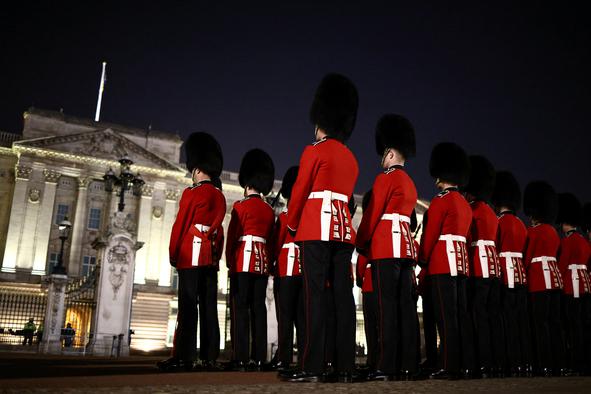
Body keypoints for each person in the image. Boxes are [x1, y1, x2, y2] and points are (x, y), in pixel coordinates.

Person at [283, 73, 359, 383]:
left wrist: (291, 225)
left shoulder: (313, 151)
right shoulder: (352, 158)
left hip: (315, 228)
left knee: (313, 298)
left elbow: (300, 192)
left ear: (321, 120)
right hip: (342, 232)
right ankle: (344, 366)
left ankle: (311, 365)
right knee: (342, 298)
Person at [356, 114, 419, 381]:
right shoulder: (411, 184)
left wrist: (361, 243)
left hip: (384, 249)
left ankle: (385, 365)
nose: (381, 159)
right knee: (406, 309)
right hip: (405, 250)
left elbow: (371, 217)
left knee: (387, 309)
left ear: (390, 153)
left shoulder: (386, 179)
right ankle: (408, 364)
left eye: (383, 154)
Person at [162, 132, 226, 372]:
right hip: (210, 258)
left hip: (190, 255)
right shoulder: (219, 196)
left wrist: (173, 253)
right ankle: (209, 357)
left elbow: (181, 224)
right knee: (209, 307)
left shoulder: (192, 193)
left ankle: (184, 356)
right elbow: (219, 231)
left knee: (188, 307)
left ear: (197, 168)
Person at [418, 142, 473, 380]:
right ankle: (462, 362)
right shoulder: (464, 204)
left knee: (445, 316)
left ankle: (448, 365)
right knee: (460, 315)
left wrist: (423, 259)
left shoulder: (440, 201)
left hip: (442, 262)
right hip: (461, 262)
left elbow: (430, 237)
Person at [226, 149, 275, 371]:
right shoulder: (268, 210)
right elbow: (272, 241)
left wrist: (229, 261)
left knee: (240, 308)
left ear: (246, 184)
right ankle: (258, 358)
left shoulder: (240, 206)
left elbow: (232, 236)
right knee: (259, 309)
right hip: (262, 262)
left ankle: (240, 357)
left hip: (242, 260)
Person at [463, 155, 504, 378]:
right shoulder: (490, 212)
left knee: (477, 315)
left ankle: (481, 361)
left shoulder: (472, 209)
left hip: (477, 265)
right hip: (493, 266)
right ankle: (495, 362)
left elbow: (468, 237)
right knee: (492, 316)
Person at [523, 181, 566, 376]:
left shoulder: (533, 232)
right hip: (555, 280)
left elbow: (527, 257)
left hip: (539, 280)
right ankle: (560, 363)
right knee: (555, 323)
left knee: (539, 325)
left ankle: (544, 364)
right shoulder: (554, 233)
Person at [491, 171, 532, 377]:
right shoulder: (522, 225)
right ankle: (524, 362)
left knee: (505, 322)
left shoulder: (498, 222)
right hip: (521, 275)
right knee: (520, 322)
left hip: (504, 275)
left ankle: (508, 362)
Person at [270, 166, 304, 371]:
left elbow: (276, 244)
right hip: (302, 272)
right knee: (301, 318)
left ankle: (284, 357)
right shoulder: (307, 216)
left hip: (286, 271)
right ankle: (302, 358)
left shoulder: (284, 218)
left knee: (285, 317)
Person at [556, 193, 590, 374]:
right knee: (584, 325)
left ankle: (577, 363)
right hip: (585, 285)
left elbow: (562, 266)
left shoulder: (567, 242)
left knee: (573, 326)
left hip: (571, 286)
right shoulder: (584, 241)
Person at [355, 190, 378, 375]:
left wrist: (359, 278)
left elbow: (362, 258)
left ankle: (373, 360)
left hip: (371, 283)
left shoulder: (370, 225)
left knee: (371, 326)